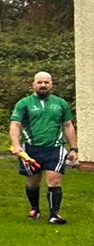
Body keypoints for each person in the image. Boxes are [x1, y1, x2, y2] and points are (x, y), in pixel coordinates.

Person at [10, 71, 78, 225]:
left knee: (54, 181)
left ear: (51, 84)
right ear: (33, 84)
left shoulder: (60, 103)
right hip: (30, 149)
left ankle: (54, 215)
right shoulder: (23, 103)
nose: (43, 85)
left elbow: (68, 125)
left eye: (46, 82)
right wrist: (16, 146)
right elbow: (15, 125)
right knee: (33, 183)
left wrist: (74, 148)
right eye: (40, 82)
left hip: (54, 148)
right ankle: (35, 208)